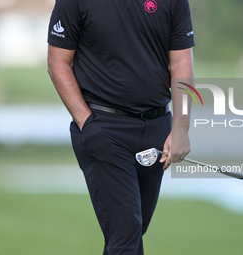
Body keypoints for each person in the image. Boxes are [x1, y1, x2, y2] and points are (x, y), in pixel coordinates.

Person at [47, 0, 195, 254]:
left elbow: (182, 64)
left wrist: (181, 129)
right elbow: (57, 63)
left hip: (156, 128)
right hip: (103, 128)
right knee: (126, 232)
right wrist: (87, 123)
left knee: (132, 232)